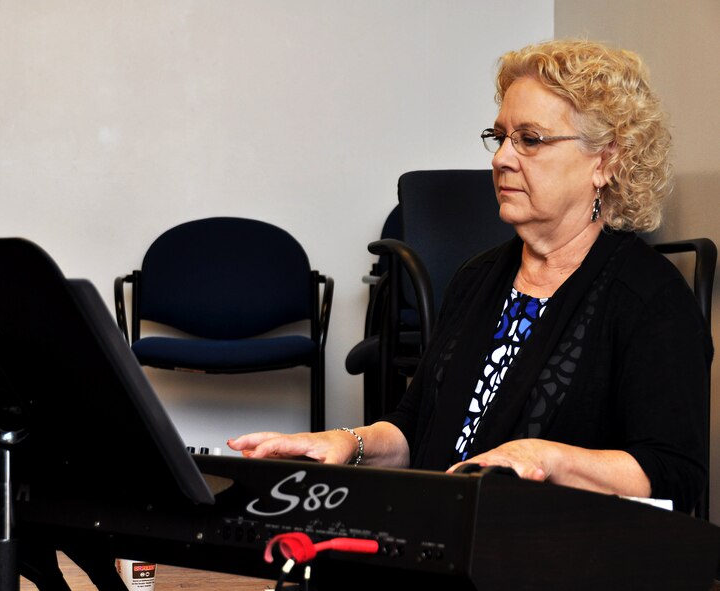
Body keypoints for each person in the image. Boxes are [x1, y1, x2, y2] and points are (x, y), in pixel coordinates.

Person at [228, 39, 712, 513]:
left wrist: (544, 460)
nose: (501, 158)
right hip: (444, 541)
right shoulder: (477, 277)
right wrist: (346, 443)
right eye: (500, 137)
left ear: (605, 161)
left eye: (530, 139)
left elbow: (675, 475)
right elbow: (415, 428)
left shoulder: (651, 298)